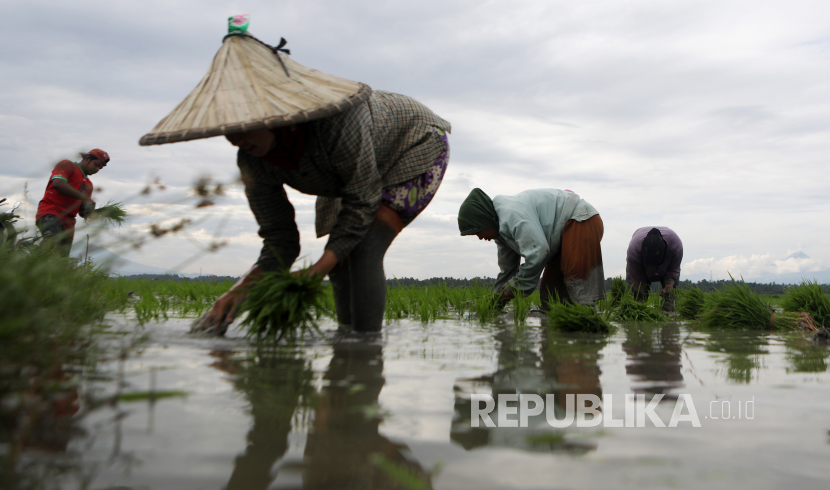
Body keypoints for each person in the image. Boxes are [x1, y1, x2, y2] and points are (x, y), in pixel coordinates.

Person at [139, 22, 450, 334]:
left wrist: (314, 272)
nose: (235, 139)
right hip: (345, 174)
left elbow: (362, 200)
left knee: (365, 245)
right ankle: (346, 341)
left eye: (244, 125)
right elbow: (280, 240)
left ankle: (366, 348)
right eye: (227, 129)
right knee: (340, 257)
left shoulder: (338, 124)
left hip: (412, 143)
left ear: (275, 115)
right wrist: (239, 291)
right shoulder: (252, 161)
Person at [457, 188, 605, 309]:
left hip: (580, 220)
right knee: (550, 297)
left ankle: (589, 336)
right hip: (558, 242)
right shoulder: (501, 234)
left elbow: (538, 252)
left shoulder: (512, 215)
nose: (480, 237)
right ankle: (560, 341)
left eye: (478, 232)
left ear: (484, 220)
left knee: (577, 287)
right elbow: (508, 271)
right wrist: (495, 302)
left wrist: (513, 289)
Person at [35, 149, 109, 257]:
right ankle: (28, 265)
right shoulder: (67, 165)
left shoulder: (88, 185)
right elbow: (58, 183)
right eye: (96, 165)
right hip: (50, 212)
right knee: (51, 242)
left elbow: (82, 212)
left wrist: (92, 212)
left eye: (100, 168)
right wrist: (84, 198)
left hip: (68, 224)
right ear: (87, 159)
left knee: (61, 259)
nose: (97, 169)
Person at [625, 226, 683, 300]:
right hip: (639, 266)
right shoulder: (634, 252)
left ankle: (668, 310)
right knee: (634, 297)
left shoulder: (675, 246)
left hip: (666, 265)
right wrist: (640, 296)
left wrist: (669, 284)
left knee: (671, 296)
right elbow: (637, 279)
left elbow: (673, 270)